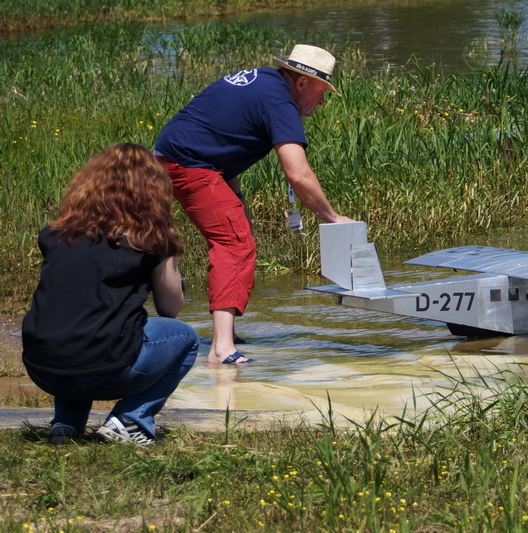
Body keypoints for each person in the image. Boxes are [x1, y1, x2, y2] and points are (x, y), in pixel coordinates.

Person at [154, 44, 353, 365]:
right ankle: (221, 350)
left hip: (174, 156)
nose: (322, 100)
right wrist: (331, 217)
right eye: (321, 90)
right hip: (187, 164)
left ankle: (224, 335)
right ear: (301, 82)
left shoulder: (262, 81)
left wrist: (237, 199)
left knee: (236, 234)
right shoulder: (279, 102)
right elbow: (298, 174)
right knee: (234, 244)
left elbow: (219, 133)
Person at [22, 143, 199, 447]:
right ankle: (131, 420)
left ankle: (66, 423)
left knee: (75, 322)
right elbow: (171, 308)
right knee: (185, 338)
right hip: (103, 369)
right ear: (152, 189)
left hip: (42, 367)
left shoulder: (54, 233)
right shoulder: (150, 239)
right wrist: (169, 254)